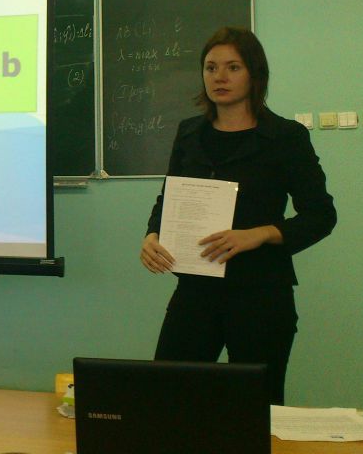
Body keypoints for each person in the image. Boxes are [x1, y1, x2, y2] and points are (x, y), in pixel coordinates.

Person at [139, 27, 335, 405]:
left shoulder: (286, 136)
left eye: (233, 67)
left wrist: (259, 233)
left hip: (261, 294)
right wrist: (152, 235)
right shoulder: (189, 133)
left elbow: (321, 215)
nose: (220, 77)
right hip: (195, 290)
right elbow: (169, 198)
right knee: (168, 397)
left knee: (253, 407)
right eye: (211, 67)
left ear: (254, 73)